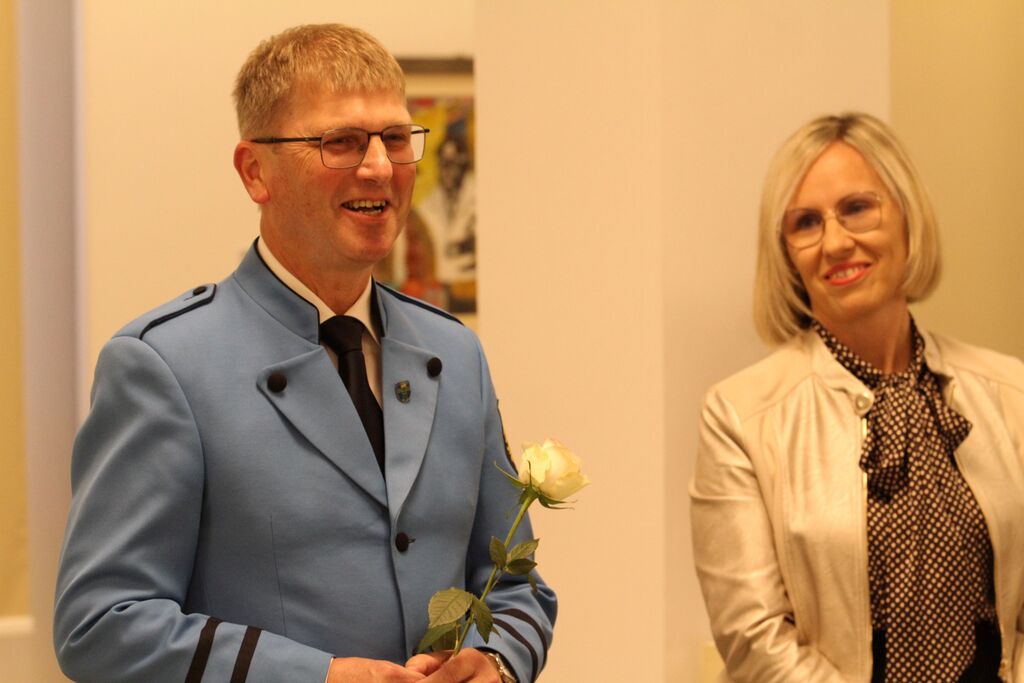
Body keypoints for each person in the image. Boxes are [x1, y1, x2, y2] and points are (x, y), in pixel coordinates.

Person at [54, 24, 555, 683]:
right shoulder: (164, 365)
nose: (379, 167)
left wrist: (494, 660)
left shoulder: (455, 354)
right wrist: (315, 676)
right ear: (255, 171)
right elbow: (100, 623)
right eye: (340, 142)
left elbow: (515, 583)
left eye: (395, 138)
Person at [690, 112, 1024, 682]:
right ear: (786, 254)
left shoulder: (1010, 390)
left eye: (857, 208)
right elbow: (754, 639)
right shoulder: (739, 416)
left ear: (907, 215)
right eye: (806, 223)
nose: (836, 242)